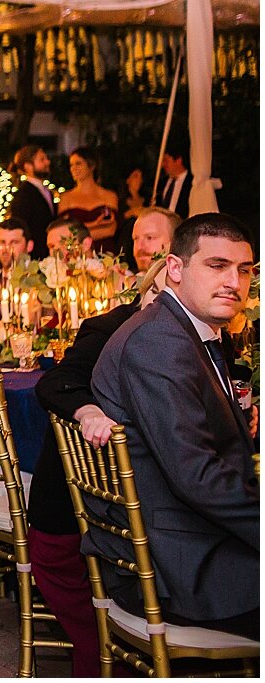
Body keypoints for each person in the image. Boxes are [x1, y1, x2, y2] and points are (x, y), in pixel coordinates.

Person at [89, 213, 258, 638]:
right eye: (217, 266)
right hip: (177, 564)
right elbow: (196, 477)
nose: (234, 283)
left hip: (186, 535)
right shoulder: (159, 342)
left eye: (245, 270)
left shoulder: (185, 329)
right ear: (175, 269)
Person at [27, 210, 177, 676]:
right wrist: (88, 410)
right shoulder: (115, 326)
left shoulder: (207, 341)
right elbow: (55, 383)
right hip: (82, 522)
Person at [57, 148, 119, 254]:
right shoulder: (65, 198)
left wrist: (79, 236)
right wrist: (95, 224)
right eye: (71, 165)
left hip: (105, 252)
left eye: (78, 164)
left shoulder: (109, 196)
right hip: (77, 254)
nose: (73, 168)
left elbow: (111, 230)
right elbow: (65, 232)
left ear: (91, 166)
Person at [8, 144, 56, 242]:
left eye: (46, 158)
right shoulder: (23, 195)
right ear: (28, 167)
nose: (48, 162)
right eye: (42, 160)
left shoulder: (47, 191)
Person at [130, 206, 181, 274]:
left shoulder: (189, 282)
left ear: (174, 242)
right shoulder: (132, 281)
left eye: (149, 238)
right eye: (136, 239)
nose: (139, 247)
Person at [158, 147, 193, 216]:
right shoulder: (162, 182)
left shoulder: (192, 183)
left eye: (165, 160)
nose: (162, 165)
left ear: (178, 160)